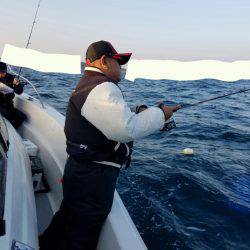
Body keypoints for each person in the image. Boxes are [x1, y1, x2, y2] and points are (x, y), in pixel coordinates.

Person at [39, 41, 181, 250]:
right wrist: (162, 114)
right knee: (82, 232)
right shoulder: (101, 87)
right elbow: (127, 129)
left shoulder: (88, 85)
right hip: (93, 176)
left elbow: (108, 120)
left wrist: (139, 111)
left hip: (81, 170)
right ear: (104, 61)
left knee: (69, 215)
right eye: (118, 62)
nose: (121, 67)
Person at [0, 61, 27, 129]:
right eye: (0, 72)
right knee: (8, 116)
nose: (2, 74)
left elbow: (19, 92)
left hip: (9, 104)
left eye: (4, 72)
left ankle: (13, 131)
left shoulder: (11, 78)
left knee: (22, 117)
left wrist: (17, 84)